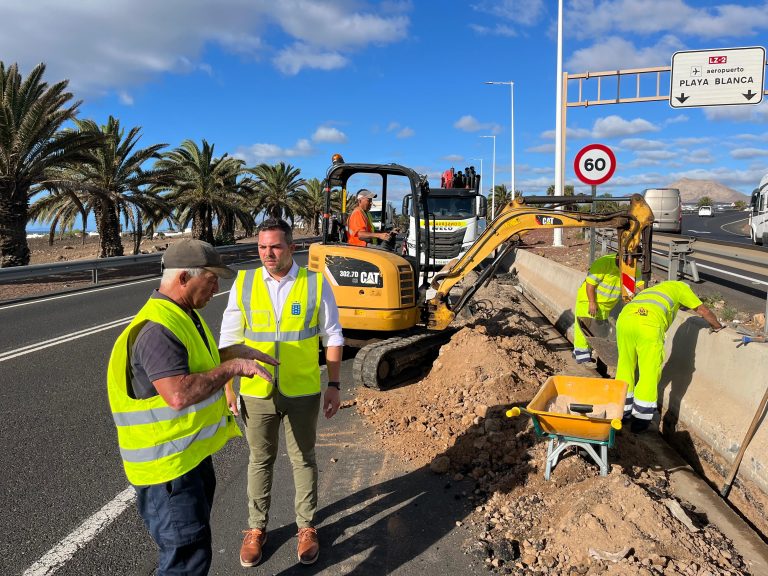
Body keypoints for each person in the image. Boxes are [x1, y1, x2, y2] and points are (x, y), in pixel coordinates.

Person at [106, 239, 278, 576]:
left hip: (187, 461)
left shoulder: (181, 314)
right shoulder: (158, 329)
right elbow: (179, 393)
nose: (217, 288)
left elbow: (193, 366)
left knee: (189, 551)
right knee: (185, 560)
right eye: (212, 279)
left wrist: (234, 353)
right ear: (184, 277)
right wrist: (233, 369)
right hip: (168, 473)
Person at [219, 218, 344, 568]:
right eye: (262, 247)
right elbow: (229, 340)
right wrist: (230, 387)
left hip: (303, 389)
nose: (267, 253)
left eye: (274, 246)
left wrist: (333, 385)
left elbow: (332, 335)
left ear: (291, 247)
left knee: (303, 458)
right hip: (256, 391)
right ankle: (256, 529)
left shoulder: (315, 284)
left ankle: (306, 527)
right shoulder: (244, 284)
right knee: (260, 460)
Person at [615, 280, 724, 433]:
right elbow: (703, 311)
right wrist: (717, 325)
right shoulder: (681, 288)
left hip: (625, 320)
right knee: (649, 372)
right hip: (649, 325)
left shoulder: (655, 289)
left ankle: (621, 412)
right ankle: (640, 420)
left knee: (625, 366)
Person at [572, 253, 629, 364]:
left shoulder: (631, 268)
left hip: (606, 306)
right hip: (588, 300)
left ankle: (578, 352)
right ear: (618, 258)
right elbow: (590, 285)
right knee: (585, 327)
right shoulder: (604, 263)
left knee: (597, 330)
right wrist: (592, 302)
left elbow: (638, 286)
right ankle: (582, 357)